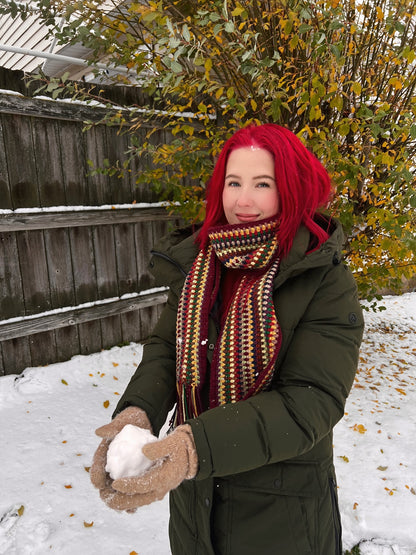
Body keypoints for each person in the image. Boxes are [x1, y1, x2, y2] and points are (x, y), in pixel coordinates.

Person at [90, 123, 364, 554]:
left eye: (262, 183)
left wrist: (193, 446)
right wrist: (137, 413)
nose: (243, 200)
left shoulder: (322, 278)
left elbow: (311, 402)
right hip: (195, 507)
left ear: (291, 189)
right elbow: (167, 348)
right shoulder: (200, 267)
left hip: (281, 513)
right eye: (233, 182)